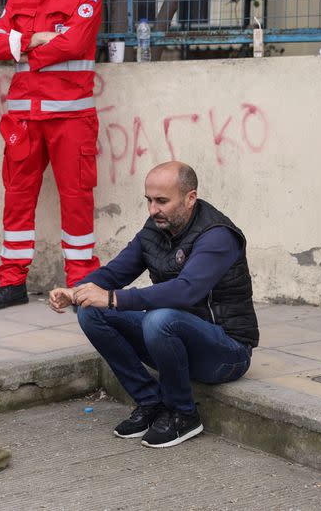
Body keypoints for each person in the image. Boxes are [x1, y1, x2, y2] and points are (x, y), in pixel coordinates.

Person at [50, 162, 259, 448]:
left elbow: (185, 291)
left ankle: (184, 415)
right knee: (92, 311)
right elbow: (116, 272)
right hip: (172, 339)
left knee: (158, 319)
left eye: (162, 201)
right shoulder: (158, 226)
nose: (152, 209)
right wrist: (77, 292)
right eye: (149, 200)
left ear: (190, 198)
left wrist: (113, 298)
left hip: (226, 352)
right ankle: (151, 401)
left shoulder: (217, 235)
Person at [0, 0, 103, 311]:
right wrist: (36, 38)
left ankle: (81, 285)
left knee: (76, 200)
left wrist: (25, 52)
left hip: (71, 117)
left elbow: (74, 44)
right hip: (23, 119)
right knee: (17, 199)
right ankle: (11, 283)